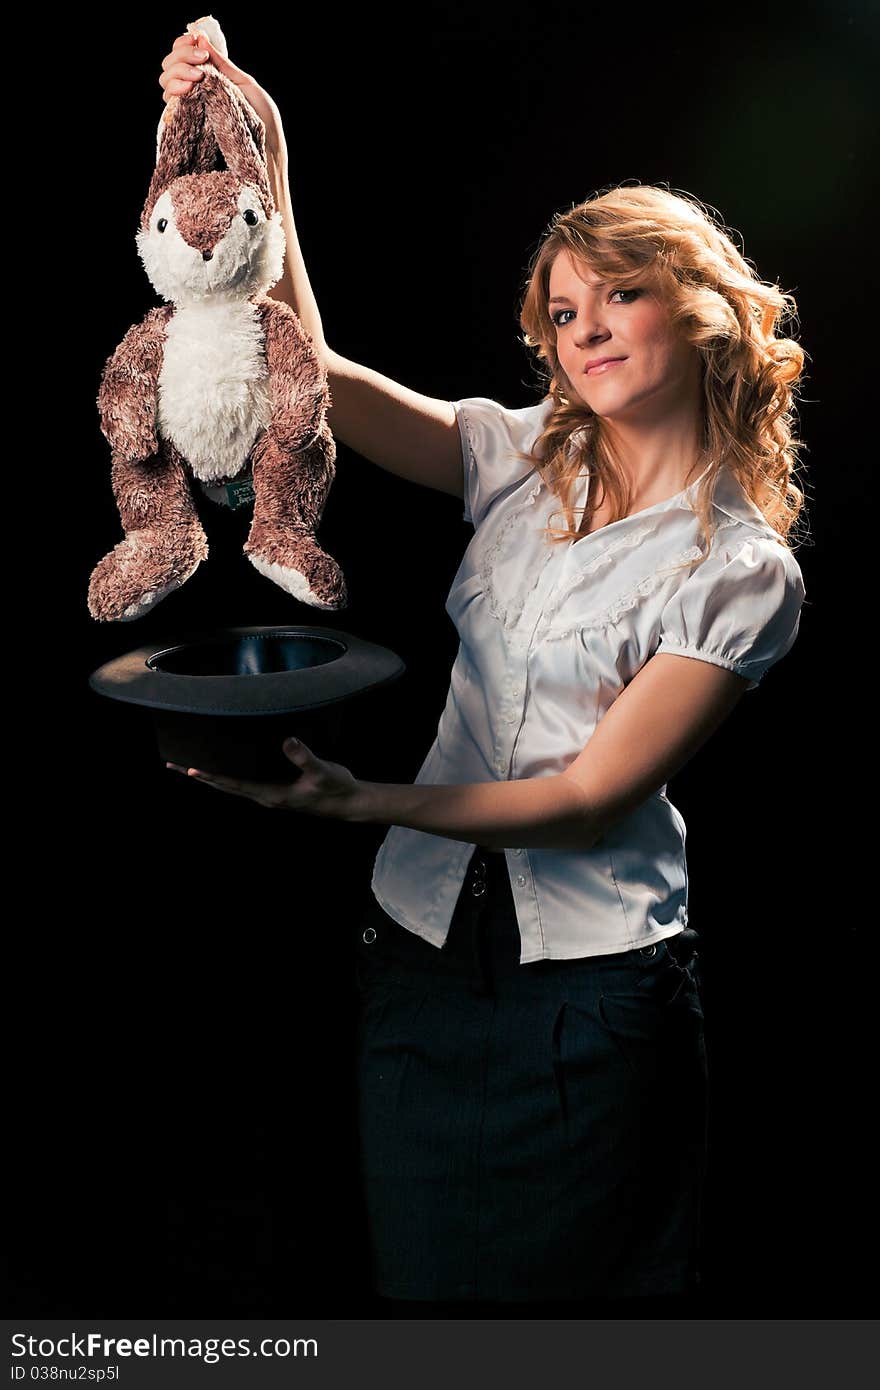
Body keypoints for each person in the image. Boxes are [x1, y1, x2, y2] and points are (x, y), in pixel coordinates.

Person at [159, 32, 808, 1315]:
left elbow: (582, 799)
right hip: (417, 956)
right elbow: (320, 386)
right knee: (429, 1306)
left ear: (697, 307)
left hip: (591, 1004)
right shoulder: (521, 457)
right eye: (560, 314)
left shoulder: (741, 571)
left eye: (613, 298)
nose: (582, 333)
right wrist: (266, 163)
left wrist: (361, 801)